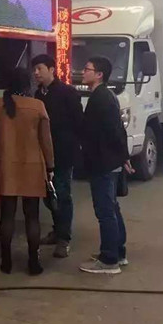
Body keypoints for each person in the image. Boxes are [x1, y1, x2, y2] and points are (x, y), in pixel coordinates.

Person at [0, 67, 54, 276]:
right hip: (32, 167)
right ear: (27, 84)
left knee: (7, 215)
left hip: (6, 167)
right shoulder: (37, 106)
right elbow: (46, 142)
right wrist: (50, 167)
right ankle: (33, 262)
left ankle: (6, 262)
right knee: (32, 217)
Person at [78, 56, 134, 275]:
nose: (83, 72)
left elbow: (112, 131)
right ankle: (118, 253)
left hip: (103, 162)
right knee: (111, 208)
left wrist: (121, 156)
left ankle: (109, 260)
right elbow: (118, 129)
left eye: (87, 69)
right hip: (109, 160)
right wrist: (123, 156)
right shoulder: (105, 95)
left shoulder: (101, 98)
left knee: (105, 212)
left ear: (99, 74)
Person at [32, 54, 83, 259]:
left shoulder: (67, 92)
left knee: (62, 195)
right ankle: (56, 230)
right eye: (34, 69)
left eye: (40, 68)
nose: (36, 73)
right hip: (44, 154)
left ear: (52, 70)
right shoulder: (38, 94)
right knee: (48, 196)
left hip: (63, 153)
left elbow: (78, 122)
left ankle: (64, 239)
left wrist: (75, 146)